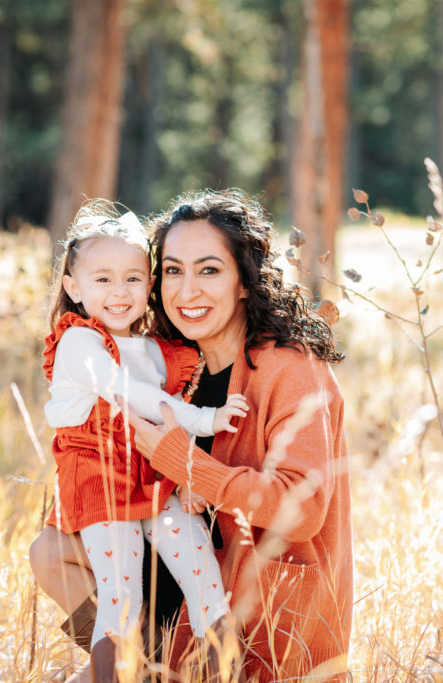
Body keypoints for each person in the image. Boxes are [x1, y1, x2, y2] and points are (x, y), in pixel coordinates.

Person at [130, 189, 353, 681]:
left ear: (245, 282)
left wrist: (189, 465)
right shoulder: (173, 371)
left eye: (209, 270)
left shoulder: (291, 370)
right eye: (173, 270)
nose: (187, 291)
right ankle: (134, 660)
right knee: (52, 551)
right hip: (172, 612)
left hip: (263, 632)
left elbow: (301, 509)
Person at [30, 204, 248, 681]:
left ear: (149, 285)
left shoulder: (155, 349)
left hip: (156, 479)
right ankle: (130, 673)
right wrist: (207, 420)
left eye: (132, 278)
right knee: (121, 595)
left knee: (204, 577)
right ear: (73, 288)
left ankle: (217, 670)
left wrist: (190, 474)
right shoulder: (78, 344)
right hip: (103, 482)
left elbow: (168, 420)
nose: (119, 291)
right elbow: (131, 395)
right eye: (102, 280)